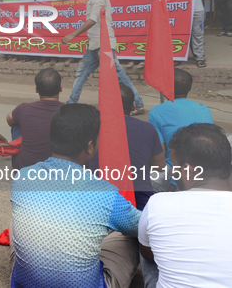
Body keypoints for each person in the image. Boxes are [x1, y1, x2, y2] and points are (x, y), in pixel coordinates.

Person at [11, 104, 140, 287]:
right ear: (89, 146)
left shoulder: (22, 177)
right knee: (130, 238)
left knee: (18, 222)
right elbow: (140, 227)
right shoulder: (104, 192)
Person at [139, 123, 232, 288]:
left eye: (174, 165)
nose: (173, 171)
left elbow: (148, 255)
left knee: (148, 246)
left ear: (188, 170)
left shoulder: (158, 204)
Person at [62, 0, 145, 113]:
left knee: (120, 76)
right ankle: (72, 102)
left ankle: (138, 103)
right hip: (95, 44)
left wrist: (72, 35)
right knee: (82, 73)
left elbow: (93, 20)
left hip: (103, 44)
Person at [88, 84, 165, 211]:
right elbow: (160, 167)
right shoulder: (148, 128)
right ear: (133, 106)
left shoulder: (91, 128)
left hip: (99, 203)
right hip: (141, 204)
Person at [149, 68, 213, 191]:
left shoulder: (156, 112)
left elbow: (160, 155)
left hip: (176, 180)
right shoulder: (203, 109)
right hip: (205, 176)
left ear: (166, 87)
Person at [5, 68, 64, 170]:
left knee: (16, 123)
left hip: (24, 169)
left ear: (36, 89)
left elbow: (9, 119)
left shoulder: (24, 108)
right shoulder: (69, 110)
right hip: (60, 170)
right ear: (60, 88)